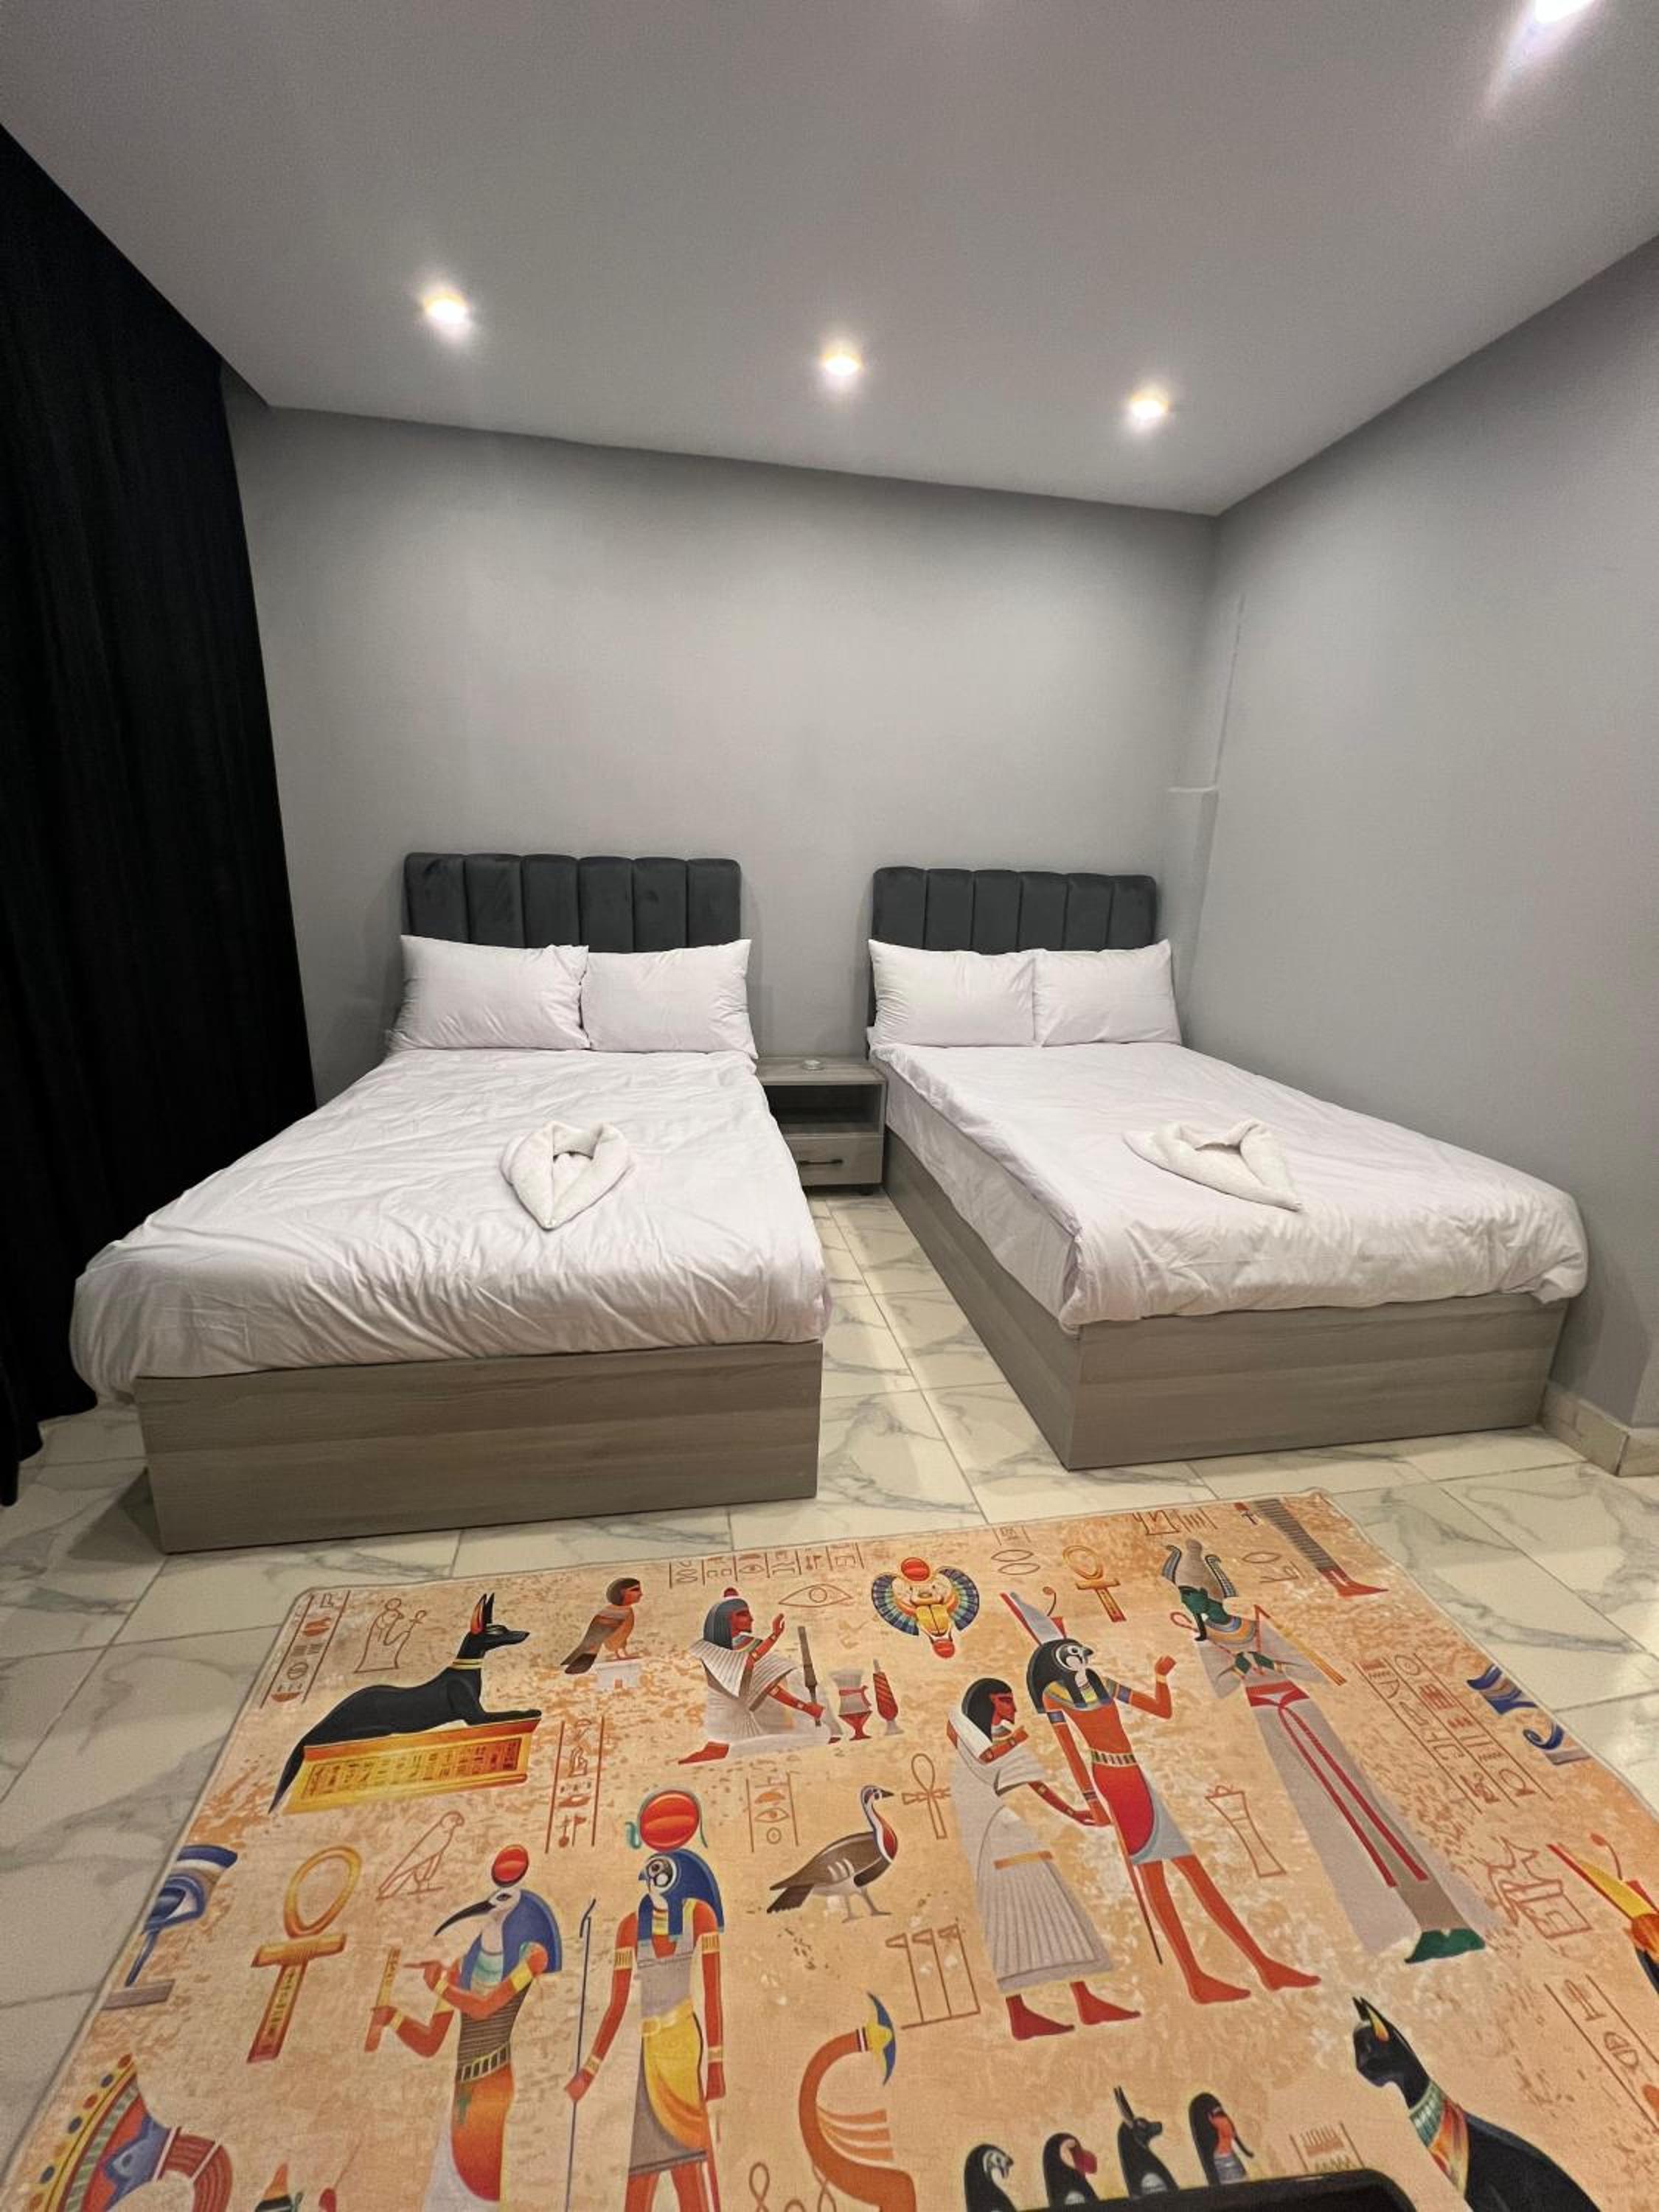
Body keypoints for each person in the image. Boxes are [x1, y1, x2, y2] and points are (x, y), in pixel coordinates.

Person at [1166, 1540, 1486, 1963]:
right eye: (1184, 1596)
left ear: (1210, 1593)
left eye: (1191, 1593)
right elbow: (1222, 1688)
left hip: (1302, 1713)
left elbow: (1310, 1670)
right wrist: (1222, 1657)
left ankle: (1449, 1918)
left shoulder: (1257, 1626)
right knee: (1339, 1826)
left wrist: (1271, 1665)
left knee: (1370, 1813)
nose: (1188, 1602)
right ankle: (1423, 1922)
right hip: (1271, 1722)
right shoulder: (1206, 1642)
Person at [1024, 1627, 1317, 2006]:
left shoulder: (1101, 1684)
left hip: (1136, 1777)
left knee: (1193, 1871)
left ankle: (1263, 1965)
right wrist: (1092, 1801)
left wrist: (1160, 1677)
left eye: (1081, 1652)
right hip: (1114, 1782)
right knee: (1157, 1877)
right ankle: (1196, 1977)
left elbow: (1161, 1710)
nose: (1081, 1658)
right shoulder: (1055, 1696)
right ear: (1060, 1664)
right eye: (1072, 1655)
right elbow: (1070, 1751)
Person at [947, 1677, 1139, 2041]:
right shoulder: (972, 1740)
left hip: (1003, 1825)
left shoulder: (1001, 1739)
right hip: (987, 1830)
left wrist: (1072, 1812)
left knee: (1052, 1901)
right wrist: (1013, 1739)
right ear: (989, 1703)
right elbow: (982, 1756)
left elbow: (1033, 1782)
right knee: (1008, 1913)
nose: (1013, 1708)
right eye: (1005, 1700)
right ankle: (1020, 2012)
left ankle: (1083, 2000)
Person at [567, 1842, 726, 2210]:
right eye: (649, 1872)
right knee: (643, 2166)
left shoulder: (699, 1916)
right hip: (650, 2051)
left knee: (686, 2157)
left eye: (658, 1872)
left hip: (682, 2045)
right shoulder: (631, 1926)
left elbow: (713, 1994)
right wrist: (588, 2072)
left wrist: (716, 2064)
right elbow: (617, 2005)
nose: (650, 1880)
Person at [680, 1589, 821, 1761]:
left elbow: (769, 1687)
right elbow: (745, 1662)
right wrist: (774, 1636)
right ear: (726, 1619)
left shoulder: (749, 1646)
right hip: (721, 1721)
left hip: (744, 1720)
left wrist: (805, 1707)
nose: (751, 1619)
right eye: (743, 1614)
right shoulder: (707, 1648)